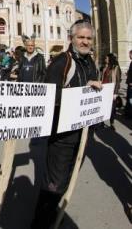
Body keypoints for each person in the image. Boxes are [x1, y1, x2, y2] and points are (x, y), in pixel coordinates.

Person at [31, 20, 102, 228]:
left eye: (89, 38)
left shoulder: (90, 62)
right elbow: (50, 95)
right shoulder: (63, 62)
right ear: (72, 38)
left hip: (83, 136)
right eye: (81, 37)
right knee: (53, 186)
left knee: (66, 182)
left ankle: (51, 217)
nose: (85, 41)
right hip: (63, 137)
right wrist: (82, 90)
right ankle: (40, 223)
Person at [100, 53, 121, 130]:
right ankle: (101, 122)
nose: (105, 59)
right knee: (102, 107)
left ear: (110, 59)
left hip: (111, 91)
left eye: (106, 58)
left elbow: (118, 81)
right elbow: (102, 78)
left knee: (112, 108)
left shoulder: (116, 68)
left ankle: (112, 122)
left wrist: (115, 93)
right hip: (104, 90)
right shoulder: (104, 67)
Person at [125, 50, 132, 118]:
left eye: (129, 54)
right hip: (129, 84)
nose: (129, 56)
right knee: (129, 99)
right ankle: (128, 113)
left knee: (130, 100)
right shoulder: (131, 63)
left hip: (131, 85)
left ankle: (130, 114)